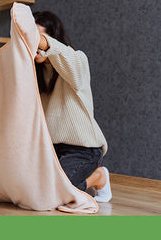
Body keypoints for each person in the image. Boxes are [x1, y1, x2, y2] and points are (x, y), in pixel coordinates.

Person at [33, 11, 112, 202]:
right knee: (30, 189)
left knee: (53, 193)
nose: (34, 44)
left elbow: (62, 53)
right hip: (51, 149)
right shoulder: (35, 73)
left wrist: (39, 41)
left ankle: (98, 177)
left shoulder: (77, 61)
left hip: (82, 150)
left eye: (39, 37)